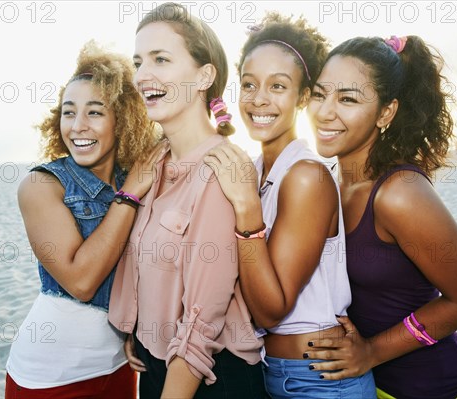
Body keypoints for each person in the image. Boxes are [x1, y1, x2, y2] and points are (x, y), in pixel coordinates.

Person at [304, 35, 457, 399]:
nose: (324, 111)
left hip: (440, 389)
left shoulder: (399, 193)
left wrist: (372, 352)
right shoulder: (327, 184)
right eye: (318, 93)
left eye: (347, 99)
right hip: (369, 386)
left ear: (386, 113)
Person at [203, 13, 376, 399]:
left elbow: (271, 311)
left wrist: (247, 209)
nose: (259, 99)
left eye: (277, 86)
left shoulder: (306, 176)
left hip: (321, 381)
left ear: (302, 97)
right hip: (273, 373)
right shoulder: (254, 170)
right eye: (249, 84)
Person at [107, 3, 265, 398]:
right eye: (139, 61)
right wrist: (141, 327)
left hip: (209, 378)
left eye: (161, 59)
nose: (143, 75)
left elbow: (203, 320)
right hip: (156, 362)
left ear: (204, 76)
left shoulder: (220, 170)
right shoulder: (152, 162)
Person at [4, 40, 162, 399]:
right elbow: (81, 281)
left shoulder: (135, 176)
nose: (77, 126)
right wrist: (130, 195)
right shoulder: (42, 185)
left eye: (94, 112)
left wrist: (133, 330)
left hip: (120, 366)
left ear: (122, 119)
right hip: (50, 377)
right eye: (68, 111)